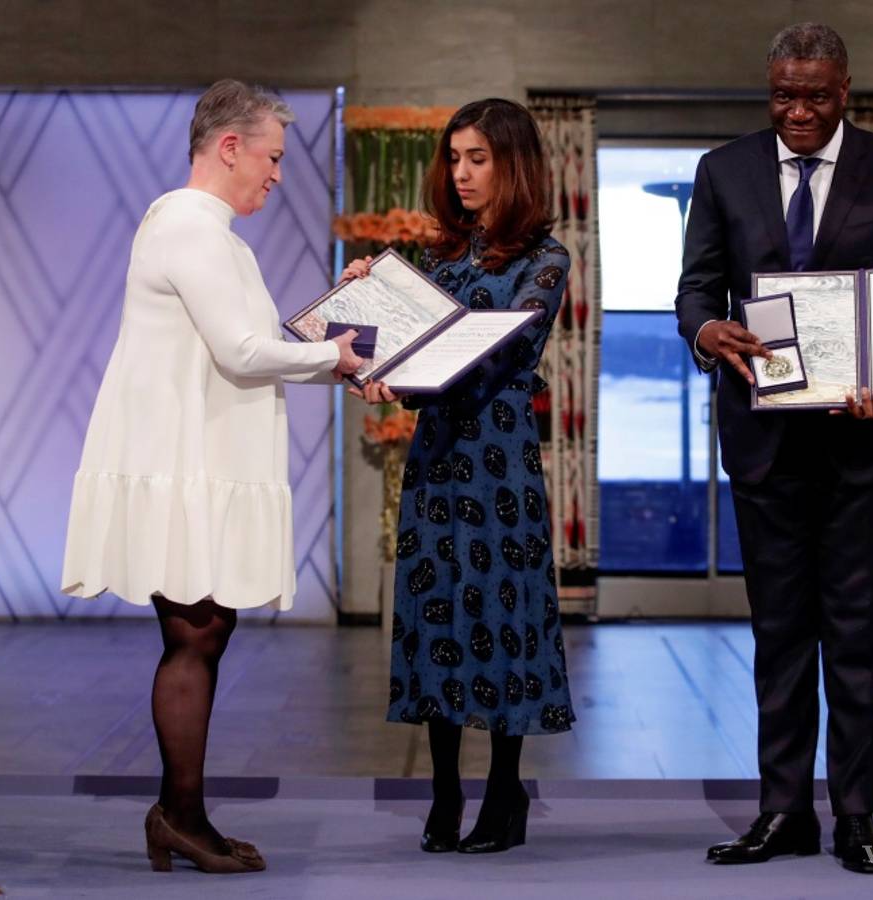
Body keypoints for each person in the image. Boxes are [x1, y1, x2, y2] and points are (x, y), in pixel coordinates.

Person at [60, 79, 362, 874]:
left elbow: (254, 337)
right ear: (229, 147)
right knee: (195, 631)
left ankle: (181, 812)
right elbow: (242, 353)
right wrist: (334, 355)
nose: (276, 175)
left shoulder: (208, 232)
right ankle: (182, 817)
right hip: (178, 458)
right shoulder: (193, 228)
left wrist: (344, 315)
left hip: (189, 453)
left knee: (203, 629)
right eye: (270, 158)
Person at [675, 23, 873, 874]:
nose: (797, 109)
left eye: (815, 95)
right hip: (764, 443)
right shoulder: (723, 170)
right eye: (783, 93)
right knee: (780, 634)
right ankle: (781, 811)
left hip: (865, 444)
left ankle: (856, 815)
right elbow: (694, 288)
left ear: (845, 91)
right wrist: (706, 328)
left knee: (860, 636)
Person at [345, 98, 575, 854]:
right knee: (438, 612)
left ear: (512, 164)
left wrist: (410, 364)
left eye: (478, 158)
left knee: (503, 616)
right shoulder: (436, 260)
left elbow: (493, 355)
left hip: (500, 461)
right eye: (455, 158)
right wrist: (364, 315)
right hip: (439, 457)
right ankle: (443, 793)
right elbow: (402, 351)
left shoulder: (545, 258)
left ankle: (505, 795)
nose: (463, 172)